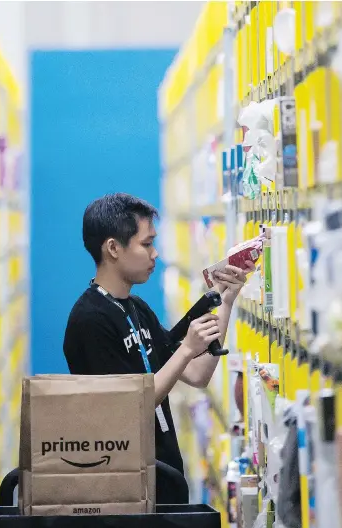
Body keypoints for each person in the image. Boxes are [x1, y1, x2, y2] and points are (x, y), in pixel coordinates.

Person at [63, 193, 254, 504]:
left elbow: (196, 373)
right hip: (122, 491)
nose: (155, 254)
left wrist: (226, 301)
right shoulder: (89, 320)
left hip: (163, 478)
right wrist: (185, 349)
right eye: (146, 244)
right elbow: (127, 408)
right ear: (113, 248)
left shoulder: (136, 308)